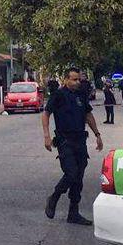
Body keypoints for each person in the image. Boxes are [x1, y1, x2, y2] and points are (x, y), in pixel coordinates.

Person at [42, 67, 103, 226]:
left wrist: (97, 135)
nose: (77, 82)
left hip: (80, 141)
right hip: (65, 141)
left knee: (79, 178)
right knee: (71, 173)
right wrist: (47, 136)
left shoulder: (81, 95)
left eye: (78, 79)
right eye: (74, 79)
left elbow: (88, 115)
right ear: (66, 80)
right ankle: (54, 197)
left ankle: (73, 213)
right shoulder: (59, 95)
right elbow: (46, 114)